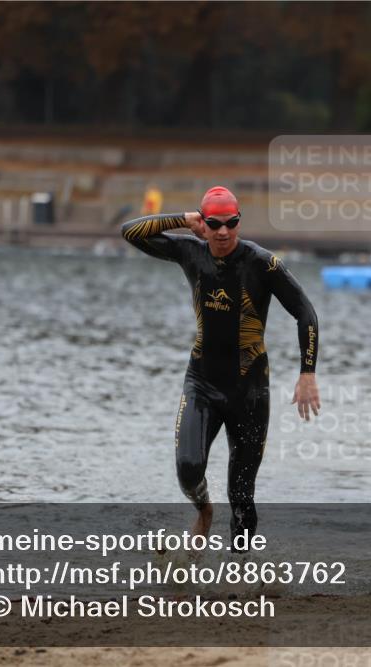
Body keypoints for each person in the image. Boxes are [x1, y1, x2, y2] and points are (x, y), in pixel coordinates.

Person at [120, 186, 320, 547]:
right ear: (204, 224)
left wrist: (307, 374)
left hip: (250, 391)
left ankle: (238, 574)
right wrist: (182, 220)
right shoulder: (190, 252)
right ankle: (204, 511)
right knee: (188, 469)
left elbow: (305, 312)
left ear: (239, 222)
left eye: (231, 223)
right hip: (202, 383)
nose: (223, 232)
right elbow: (130, 231)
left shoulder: (262, 263)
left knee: (241, 496)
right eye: (214, 224)